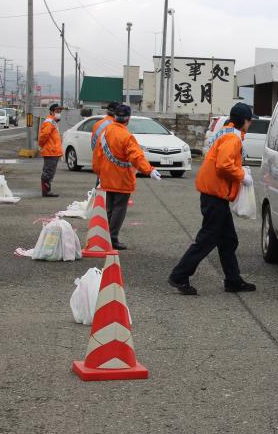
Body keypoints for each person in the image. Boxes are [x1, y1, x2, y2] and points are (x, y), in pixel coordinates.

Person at [168, 102, 257, 295]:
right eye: (250, 121)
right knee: (207, 239)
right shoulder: (233, 139)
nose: (250, 125)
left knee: (228, 240)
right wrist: (243, 176)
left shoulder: (224, 133)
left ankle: (233, 280)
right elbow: (224, 165)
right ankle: (179, 275)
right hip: (215, 195)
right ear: (243, 121)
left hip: (213, 194)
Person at [97, 104, 162, 250]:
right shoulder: (126, 136)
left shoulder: (106, 131)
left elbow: (99, 152)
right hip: (122, 178)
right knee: (119, 208)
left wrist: (98, 171)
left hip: (107, 175)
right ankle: (112, 238)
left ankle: (105, 235)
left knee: (110, 208)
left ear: (115, 116)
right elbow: (136, 157)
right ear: (128, 118)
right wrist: (149, 170)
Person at [38, 103, 64, 197]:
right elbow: (43, 136)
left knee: (50, 172)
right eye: (57, 111)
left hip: (53, 151)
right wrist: (41, 145)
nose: (59, 113)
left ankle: (47, 191)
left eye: (60, 111)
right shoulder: (49, 122)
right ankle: (46, 192)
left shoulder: (53, 122)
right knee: (48, 172)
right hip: (51, 151)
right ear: (51, 111)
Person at [91, 101, 120, 184]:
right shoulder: (116, 126)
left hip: (99, 162)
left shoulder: (98, 124)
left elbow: (93, 145)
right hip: (112, 164)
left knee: (100, 190)